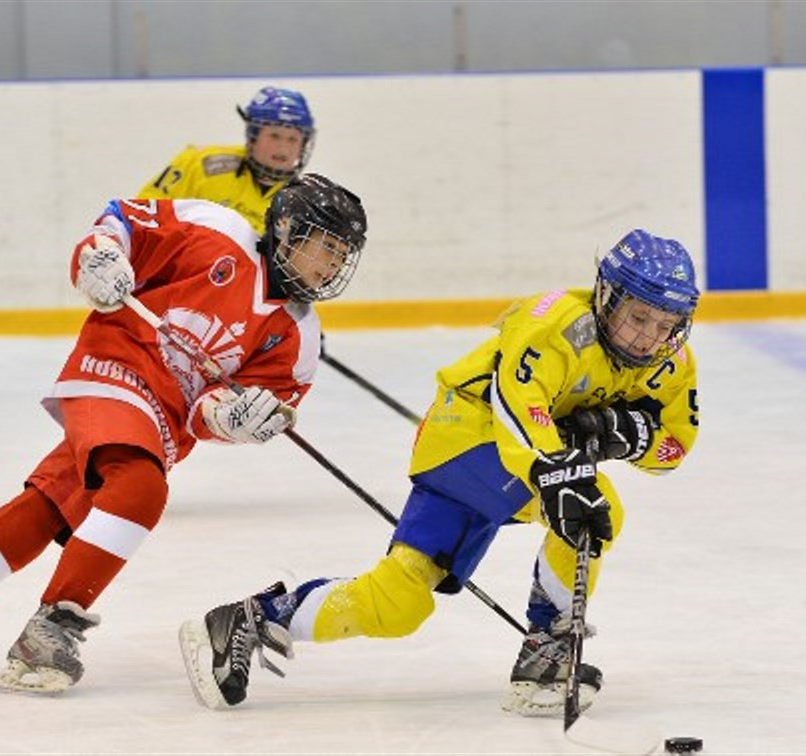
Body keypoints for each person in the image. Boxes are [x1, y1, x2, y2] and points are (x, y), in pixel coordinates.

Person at [0, 173, 368, 695]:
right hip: (113, 365)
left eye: (343, 256)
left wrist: (230, 419)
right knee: (141, 489)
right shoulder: (216, 229)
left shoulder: (299, 343)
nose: (334, 265)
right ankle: (54, 626)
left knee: (39, 516)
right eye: (327, 247)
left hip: (161, 424)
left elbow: (209, 412)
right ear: (287, 231)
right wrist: (99, 254)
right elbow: (122, 221)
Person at [178, 228, 701, 716]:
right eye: (637, 317)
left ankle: (252, 618)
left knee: (398, 603)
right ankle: (548, 654)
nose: (648, 338)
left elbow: (675, 446)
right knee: (589, 503)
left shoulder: (672, 364)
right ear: (606, 296)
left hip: (515, 462)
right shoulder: (553, 323)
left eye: (664, 325)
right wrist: (560, 475)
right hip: (466, 437)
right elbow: (517, 412)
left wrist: (632, 435)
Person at [138, 86, 316, 234]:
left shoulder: (302, 203)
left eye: (293, 139)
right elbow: (144, 211)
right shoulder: (199, 164)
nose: (283, 148)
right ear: (253, 136)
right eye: (274, 135)